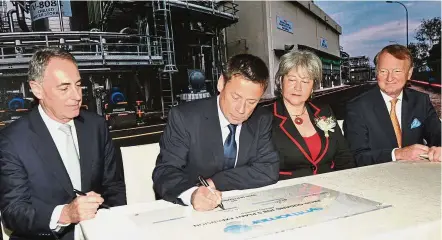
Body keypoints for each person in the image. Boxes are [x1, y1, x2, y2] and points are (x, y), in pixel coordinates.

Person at [0, 47, 126, 240]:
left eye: (78, 85)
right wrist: (65, 214)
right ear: (37, 89)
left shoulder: (96, 126)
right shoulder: (13, 140)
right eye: (64, 88)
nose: (77, 96)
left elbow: (114, 188)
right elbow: (13, 212)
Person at [152, 54, 279, 211]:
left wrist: (215, 182)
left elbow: (268, 170)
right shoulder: (184, 117)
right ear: (221, 83)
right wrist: (192, 194)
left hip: (243, 209)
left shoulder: (262, 119)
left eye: (251, 102)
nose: (241, 110)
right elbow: (165, 171)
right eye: (235, 97)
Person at [344, 44, 441, 166]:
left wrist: (439, 149)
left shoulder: (421, 100)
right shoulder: (357, 107)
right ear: (376, 72)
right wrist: (398, 154)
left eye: (397, 71)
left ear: (409, 73)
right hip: (376, 177)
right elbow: (357, 156)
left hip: (417, 174)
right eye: (383, 71)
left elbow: (438, 135)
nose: (390, 78)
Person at [269, 50, 355, 180]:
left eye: (305, 81)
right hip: (287, 192)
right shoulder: (266, 117)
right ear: (281, 81)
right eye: (292, 79)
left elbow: (343, 155)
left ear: (312, 87)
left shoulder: (324, 111)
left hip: (330, 190)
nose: (298, 87)